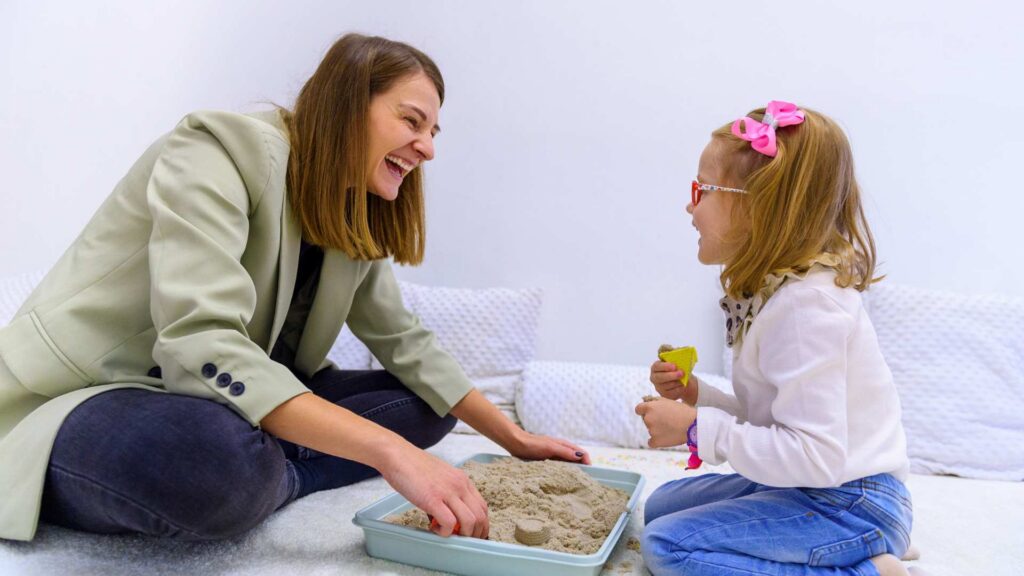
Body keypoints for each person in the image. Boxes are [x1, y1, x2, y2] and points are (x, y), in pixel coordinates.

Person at [0, 33, 589, 543]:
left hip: (220, 397)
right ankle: (268, 471)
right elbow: (200, 341)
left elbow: (403, 339)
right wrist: (391, 453)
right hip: (90, 396)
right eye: (412, 121)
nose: (428, 147)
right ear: (347, 104)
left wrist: (513, 436)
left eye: (433, 131)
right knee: (212, 462)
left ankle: (272, 473)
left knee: (428, 404)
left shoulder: (350, 208)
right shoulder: (215, 150)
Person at [635, 101, 916, 576]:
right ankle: (856, 549)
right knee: (661, 506)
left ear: (758, 207)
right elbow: (775, 422)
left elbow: (815, 456)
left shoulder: (807, 308)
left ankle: (868, 569)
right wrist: (698, 397)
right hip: (817, 488)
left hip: (852, 502)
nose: (690, 205)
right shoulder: (778, 295)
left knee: (669, 547)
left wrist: (696, 428)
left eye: (701, 190)